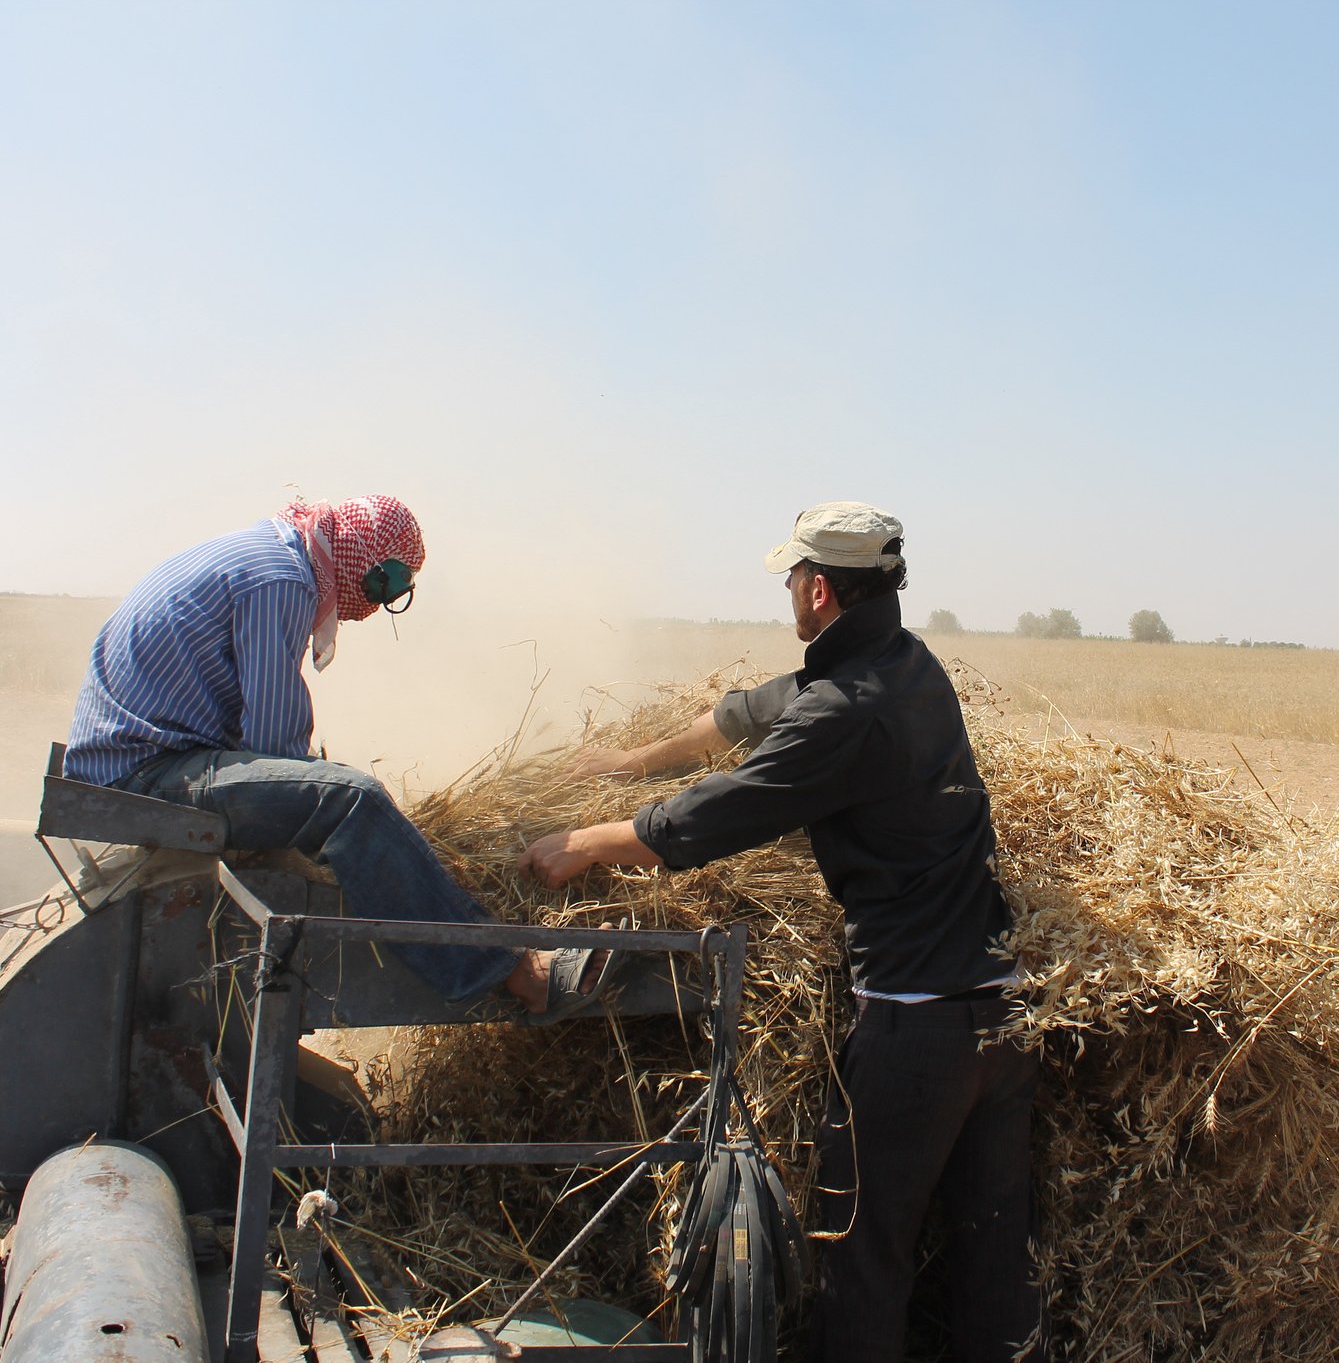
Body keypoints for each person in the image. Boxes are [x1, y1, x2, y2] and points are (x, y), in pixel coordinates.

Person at [519, 501, 1044, 1362]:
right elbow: (749, 711)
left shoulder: (846, 710)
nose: (787, 591)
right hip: (1001, 1014)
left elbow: (714, 815)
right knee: (994, 1260)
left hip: (917, 1027)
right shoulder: (905, 664)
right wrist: (631, 761)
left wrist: (584, 840)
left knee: (865, 1256)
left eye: (793, 577)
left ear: (822, 590)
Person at [63, 494, 589, 1018]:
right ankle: (513, 973)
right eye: (386, 583)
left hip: (138, 756)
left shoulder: (276, 554)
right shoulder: (282, 580)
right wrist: (335, 807)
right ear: (359, 554)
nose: (380, 603)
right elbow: (272, 741)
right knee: (352, 800)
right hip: (145, 772)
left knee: (331, 789)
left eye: (397, 592)